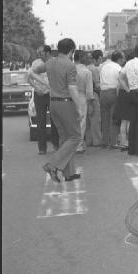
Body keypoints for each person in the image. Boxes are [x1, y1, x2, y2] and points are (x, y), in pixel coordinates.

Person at [33, 37, 82, 183]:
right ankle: (52, 165)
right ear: (72, 50)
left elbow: (33, 72)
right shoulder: (70, 65)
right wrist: (79, 107)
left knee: (65, 139)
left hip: (53, 103)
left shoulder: (50, 62)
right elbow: (72, 88)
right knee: (75, 137)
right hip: (66, 104)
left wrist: (45, 84)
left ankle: (69, 173)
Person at [28, 45, 60, 155]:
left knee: (55, 120)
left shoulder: (55, 62)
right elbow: (29, 78)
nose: (39, 54)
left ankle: (56, 144)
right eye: (38, 52)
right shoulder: (35, 63)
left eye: (41, 52)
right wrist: (36, 87)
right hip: (39, 95)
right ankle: (42, 148)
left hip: (52, 95)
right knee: (40, 121)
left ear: (47, 52)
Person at [119, 43, 138, 156]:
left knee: (133, 122)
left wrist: (127, 89)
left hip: (131, 93)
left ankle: (132, 149)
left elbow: (120, 77)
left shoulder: (129, 63)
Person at [99, 50, 123, 149]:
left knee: (104, 119)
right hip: (113, 92)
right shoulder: (118, 68)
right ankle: (113, 142)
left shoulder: (103, 66)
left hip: (102, 93)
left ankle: (104, 141)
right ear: (119, 59)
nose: (123, 61)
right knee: (114, 118)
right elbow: (120, 82)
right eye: (122, 59)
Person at [74, 50, 95, 153]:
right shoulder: (87, 72)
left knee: (71, 122)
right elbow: (89, 91)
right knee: (81, 121)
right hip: (81, 97)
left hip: (69, 97)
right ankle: (79, 145)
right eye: (86, 57)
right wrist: (91, 104)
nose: (88, 59)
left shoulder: (69, 69)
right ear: (82, 58)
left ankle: (70, 145)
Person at [85, 50, 102, 147]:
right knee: (95, 119)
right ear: (98, 58)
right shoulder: (94, 69)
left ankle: (88, 140)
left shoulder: (85, 68)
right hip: (93, 95)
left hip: (84, 96)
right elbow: (97, 85)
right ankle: (97, 140)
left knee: (87, 120)